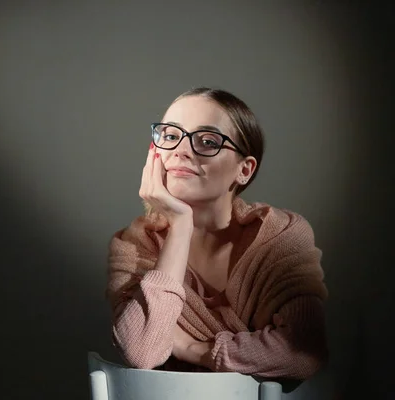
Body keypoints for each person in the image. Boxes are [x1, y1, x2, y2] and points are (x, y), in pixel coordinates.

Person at [106, 87, 328, 380]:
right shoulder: (134, 244)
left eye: (208, 141)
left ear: (244, 170)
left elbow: (301, 354)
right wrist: (181, 226)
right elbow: (144, 350)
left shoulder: (281, 236)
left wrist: (192, 348)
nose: (180, 151)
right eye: (171, 136)